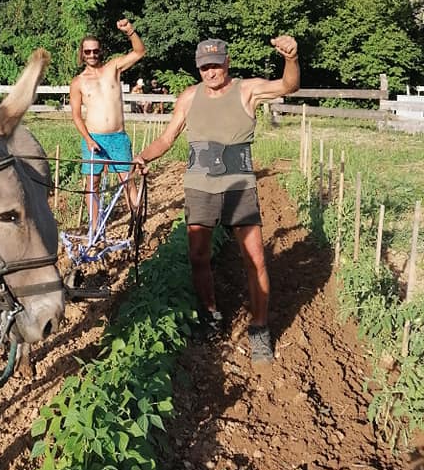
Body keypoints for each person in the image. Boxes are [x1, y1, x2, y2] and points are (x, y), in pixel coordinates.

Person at [134, 35, 300, 363]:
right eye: (204, 67)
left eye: (215, 65)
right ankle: (210, 315)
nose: (210, 72)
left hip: (239, 185)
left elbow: (287, 86)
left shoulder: (247, 89)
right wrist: (143, 157)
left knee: (255, 259)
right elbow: (167, 138)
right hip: (200, 185)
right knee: (198, 255)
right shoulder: (188, 97)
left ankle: (259, 329)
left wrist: (291, 59)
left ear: (226, 62)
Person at [70, 19, 146, 232]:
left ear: (100, 51)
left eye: (95, 51)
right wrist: (88, 139)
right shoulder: (78, 82)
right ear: (82, 54)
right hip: (94, 138)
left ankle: (137, 222)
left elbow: (139, 52)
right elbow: (76, 115)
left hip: (118, 138)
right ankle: (95, 227)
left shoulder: (113, 68)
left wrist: (129, 31)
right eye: (88, 52)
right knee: (92, 186)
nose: (92, 55)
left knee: (127, 181)